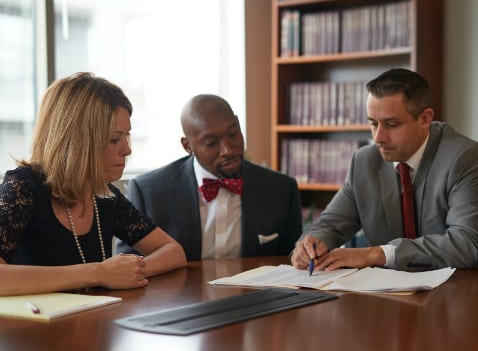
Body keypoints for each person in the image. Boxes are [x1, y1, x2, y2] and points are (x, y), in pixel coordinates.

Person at [291, 68, 478, 271]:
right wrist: (311, 244)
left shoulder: (465, 159)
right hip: (386, 296)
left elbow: (467, 246)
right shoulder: (364, 162)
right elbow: (330, 224)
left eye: (391, 124)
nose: (378, 137)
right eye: (373, 123)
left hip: (456, 295)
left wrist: (377, 254)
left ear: (425, 119)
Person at [0, 72, 186, 296]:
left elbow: (174, 252)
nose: (127, 150)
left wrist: (126, 271)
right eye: (114, 139)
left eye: (127, 136)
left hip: (92, 324)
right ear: (77, 141)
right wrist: (99, 273)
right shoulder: (23, 188)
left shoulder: (104, 195)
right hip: (36, 328)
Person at [115, 94, 303, 260]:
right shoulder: (148, 192)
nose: (228, 150)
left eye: (233, 134)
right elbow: (129, 267)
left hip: (256, 298)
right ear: (188, 146)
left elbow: (291, 262)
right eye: (212, 143)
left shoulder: (281, 190)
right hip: (179, 299)